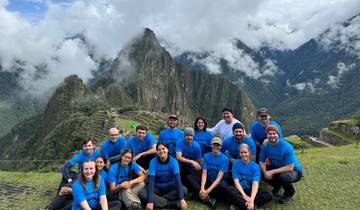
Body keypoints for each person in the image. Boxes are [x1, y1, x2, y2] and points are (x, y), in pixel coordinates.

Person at [46, 137, 100, 210]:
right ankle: (56, 201)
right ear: (83, 147)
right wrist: (69, 179)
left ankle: (51, 206)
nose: (87, 148)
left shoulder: (97, 155)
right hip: (79, 176)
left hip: (89, 177)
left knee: (66, 187)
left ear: (93, 146)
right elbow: (64, 167)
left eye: (89, 145)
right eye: (85, 146)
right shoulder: (81, 155)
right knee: (68, 177)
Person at [259, 125, 303, 204]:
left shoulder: (286, 147)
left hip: (295, 170)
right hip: (278, 167)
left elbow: (290, 167)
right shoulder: (265, 145)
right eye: (269, 133)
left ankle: (289, 193)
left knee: (284, 177)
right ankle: (277, 185)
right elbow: (261, 161)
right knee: (259, 170)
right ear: (267, 135)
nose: (272, 136)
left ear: (278, 134)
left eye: (274, 133)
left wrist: (271, 172)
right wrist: (265, 172)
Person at [139, 142, 188, 210]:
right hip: (157, 187)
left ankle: (158, 200)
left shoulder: (173, 161)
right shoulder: (153, 162)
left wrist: (182, 199)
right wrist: (150, 201)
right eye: (159, 150)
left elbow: (178, 181)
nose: (161, 151)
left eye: (163, 148)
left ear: (167, 149)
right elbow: (151, 182)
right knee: (142, 193)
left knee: (184, 190)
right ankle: (170, 203)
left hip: (170, 186)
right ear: (156, 152)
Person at [187, 137, 229, 209]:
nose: (216, 147)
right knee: (190, 177)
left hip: (216, 182)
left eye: (218, 145)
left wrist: (207, 191)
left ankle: (197, 195)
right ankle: (208, 198)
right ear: (211, 145)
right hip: (207, 180)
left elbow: (219, 178)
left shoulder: (225, 159)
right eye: (214, 144)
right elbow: (204, 173)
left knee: (223, 186)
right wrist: (202, 188)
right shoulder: (206, 156)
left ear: (221, 147)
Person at [226, 144, 273, 210]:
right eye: (241, 152)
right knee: (229, 189)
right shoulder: (235, 164)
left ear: (249, 152)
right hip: (239, 190)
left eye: (245, 152)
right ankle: (253, 207)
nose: (244, 154)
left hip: (250, 190)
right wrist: (244, 195)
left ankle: (240, 205)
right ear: (239, 153)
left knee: (269, 194)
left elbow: (255, 184)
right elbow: (236, 182)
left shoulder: (255, 166)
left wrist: (251, 199)